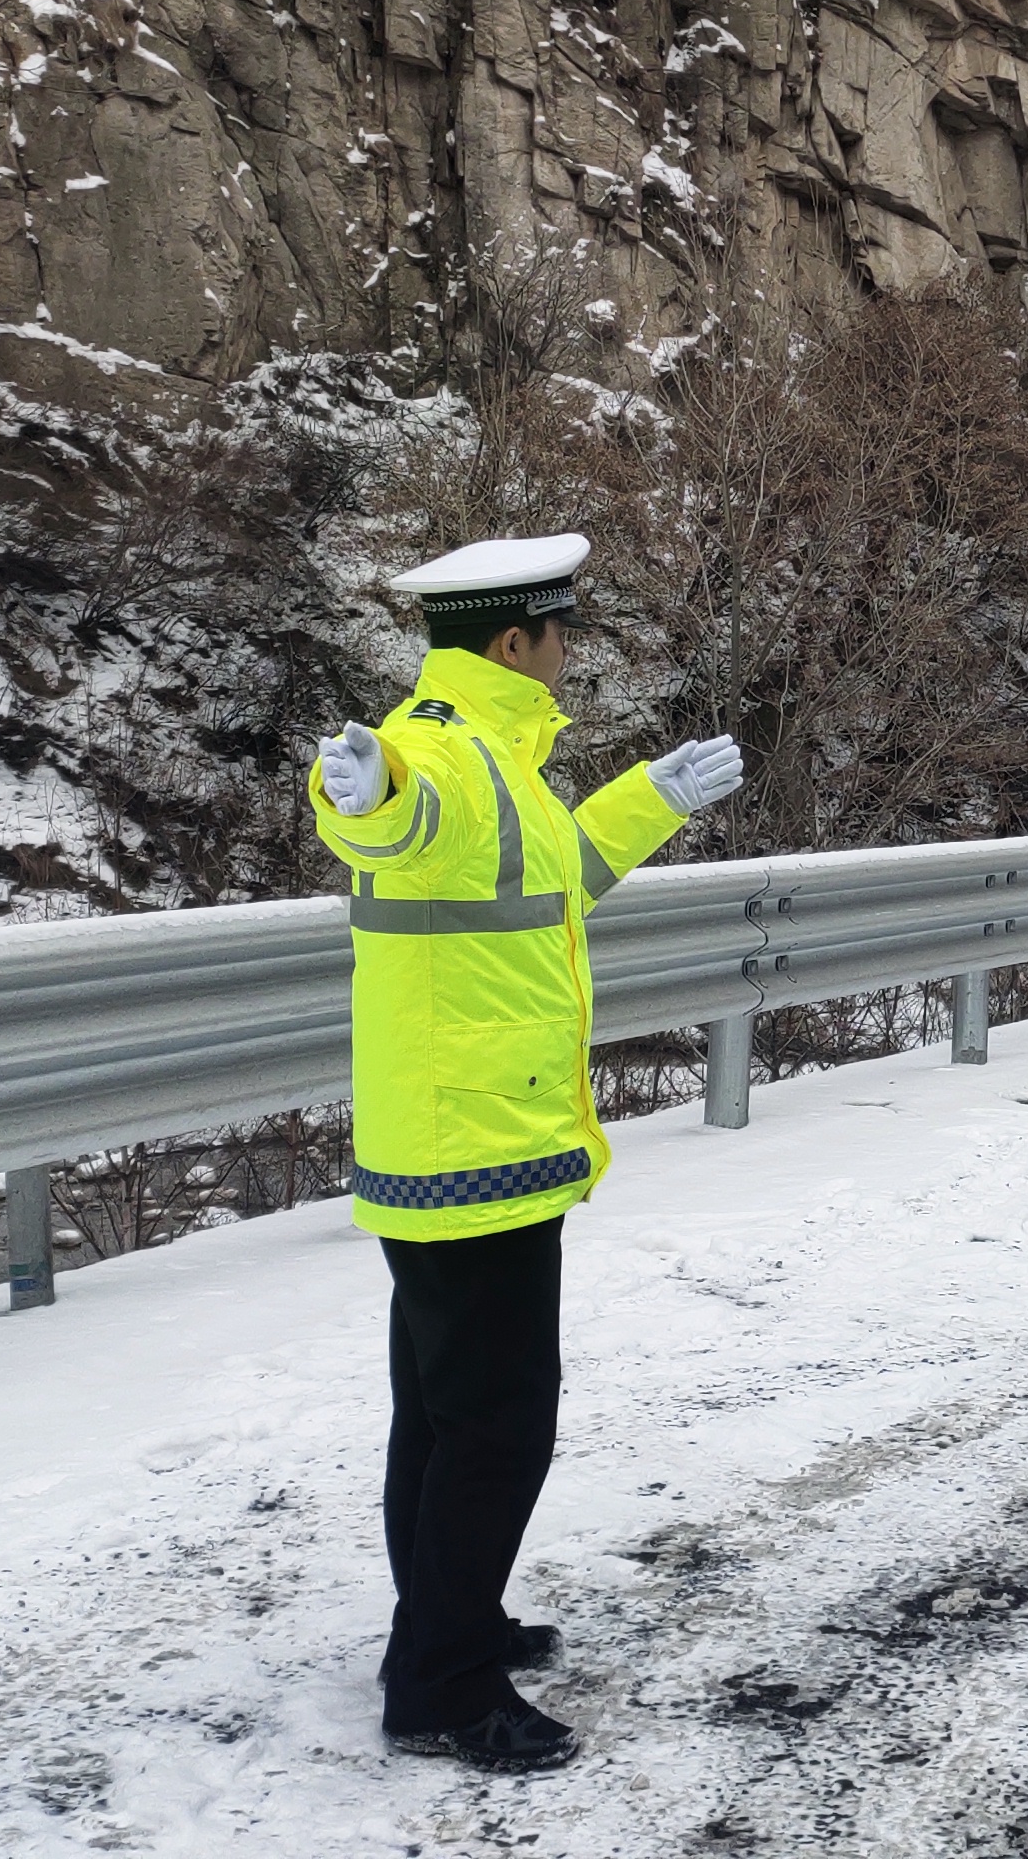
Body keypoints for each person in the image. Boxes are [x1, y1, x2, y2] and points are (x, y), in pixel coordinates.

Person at [307, 533, 745, 1773]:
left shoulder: (508, 763)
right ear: (516, 643)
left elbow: (558, 885)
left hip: (467, 1138)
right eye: (560, 637)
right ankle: (444, 1685)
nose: (567, 656)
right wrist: (361, 793)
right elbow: (392, 812)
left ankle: (449, 1627)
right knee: (497, 1427)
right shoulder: (443, 752)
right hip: (471, 1147)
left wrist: (653, 794)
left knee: (443, 1420)